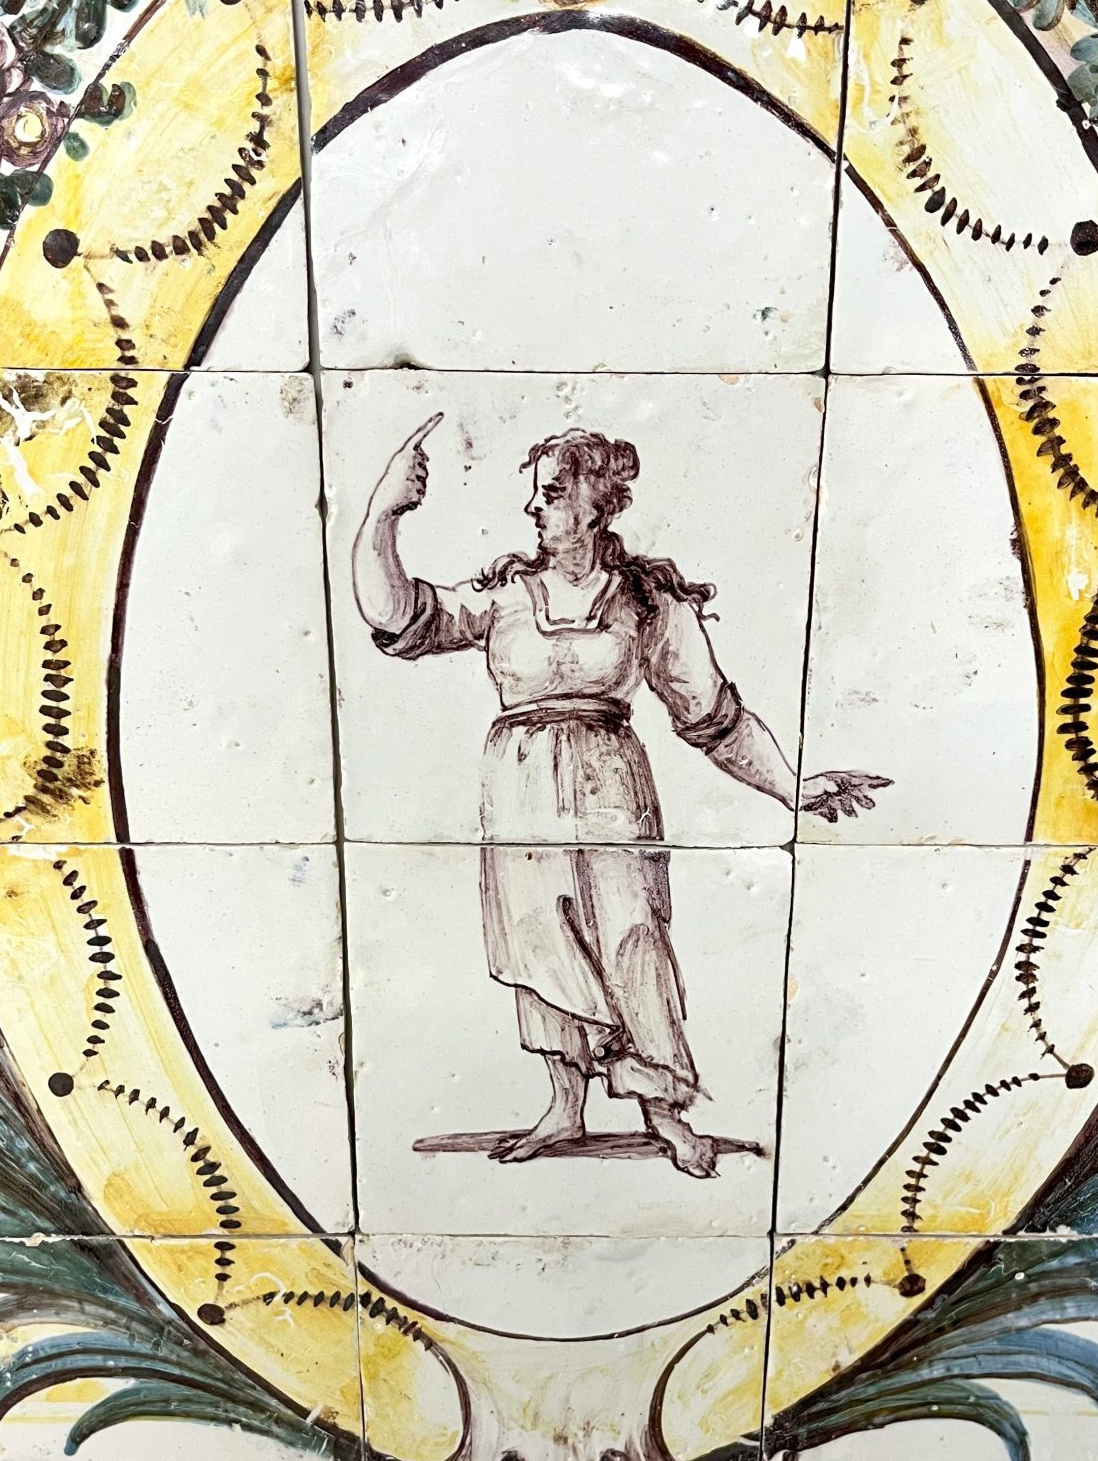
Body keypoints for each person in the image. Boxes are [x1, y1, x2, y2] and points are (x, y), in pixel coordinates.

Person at [354, 416, 888, 1178]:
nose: (534, 509)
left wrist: (791, 788)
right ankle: (564, 1104)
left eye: (551, 494)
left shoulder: (647, 604)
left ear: (595, 504)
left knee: (632, 937)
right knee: (537, 938)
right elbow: (395, 612)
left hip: (610, 790)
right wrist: (385, 510)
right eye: (537, 495)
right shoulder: (505, 598)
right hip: (520, 795)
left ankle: (665, 1111)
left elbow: (714, 716)